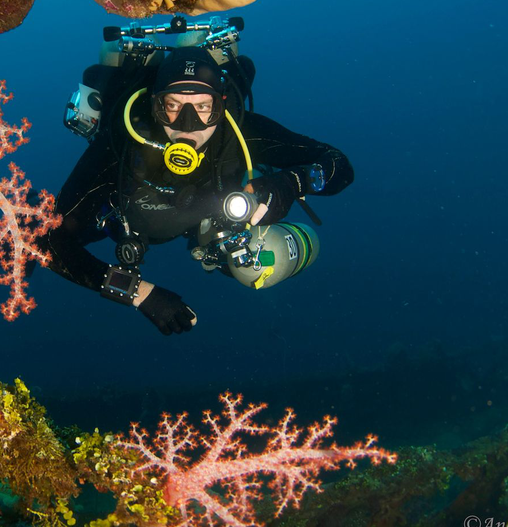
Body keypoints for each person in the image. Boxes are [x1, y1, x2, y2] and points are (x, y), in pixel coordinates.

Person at [40, 45, 353, 335]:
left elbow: (339, 165)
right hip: (122, 219)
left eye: (204, 107)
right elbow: (46, 240)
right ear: (155, 106)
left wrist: (289, 184)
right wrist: (139, 293)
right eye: (173, 106)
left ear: (222, 106)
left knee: (255, 271)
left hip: (209, 222)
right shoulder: (120, 146)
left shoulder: (238, 133)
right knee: (35, 232)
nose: (188, 125)